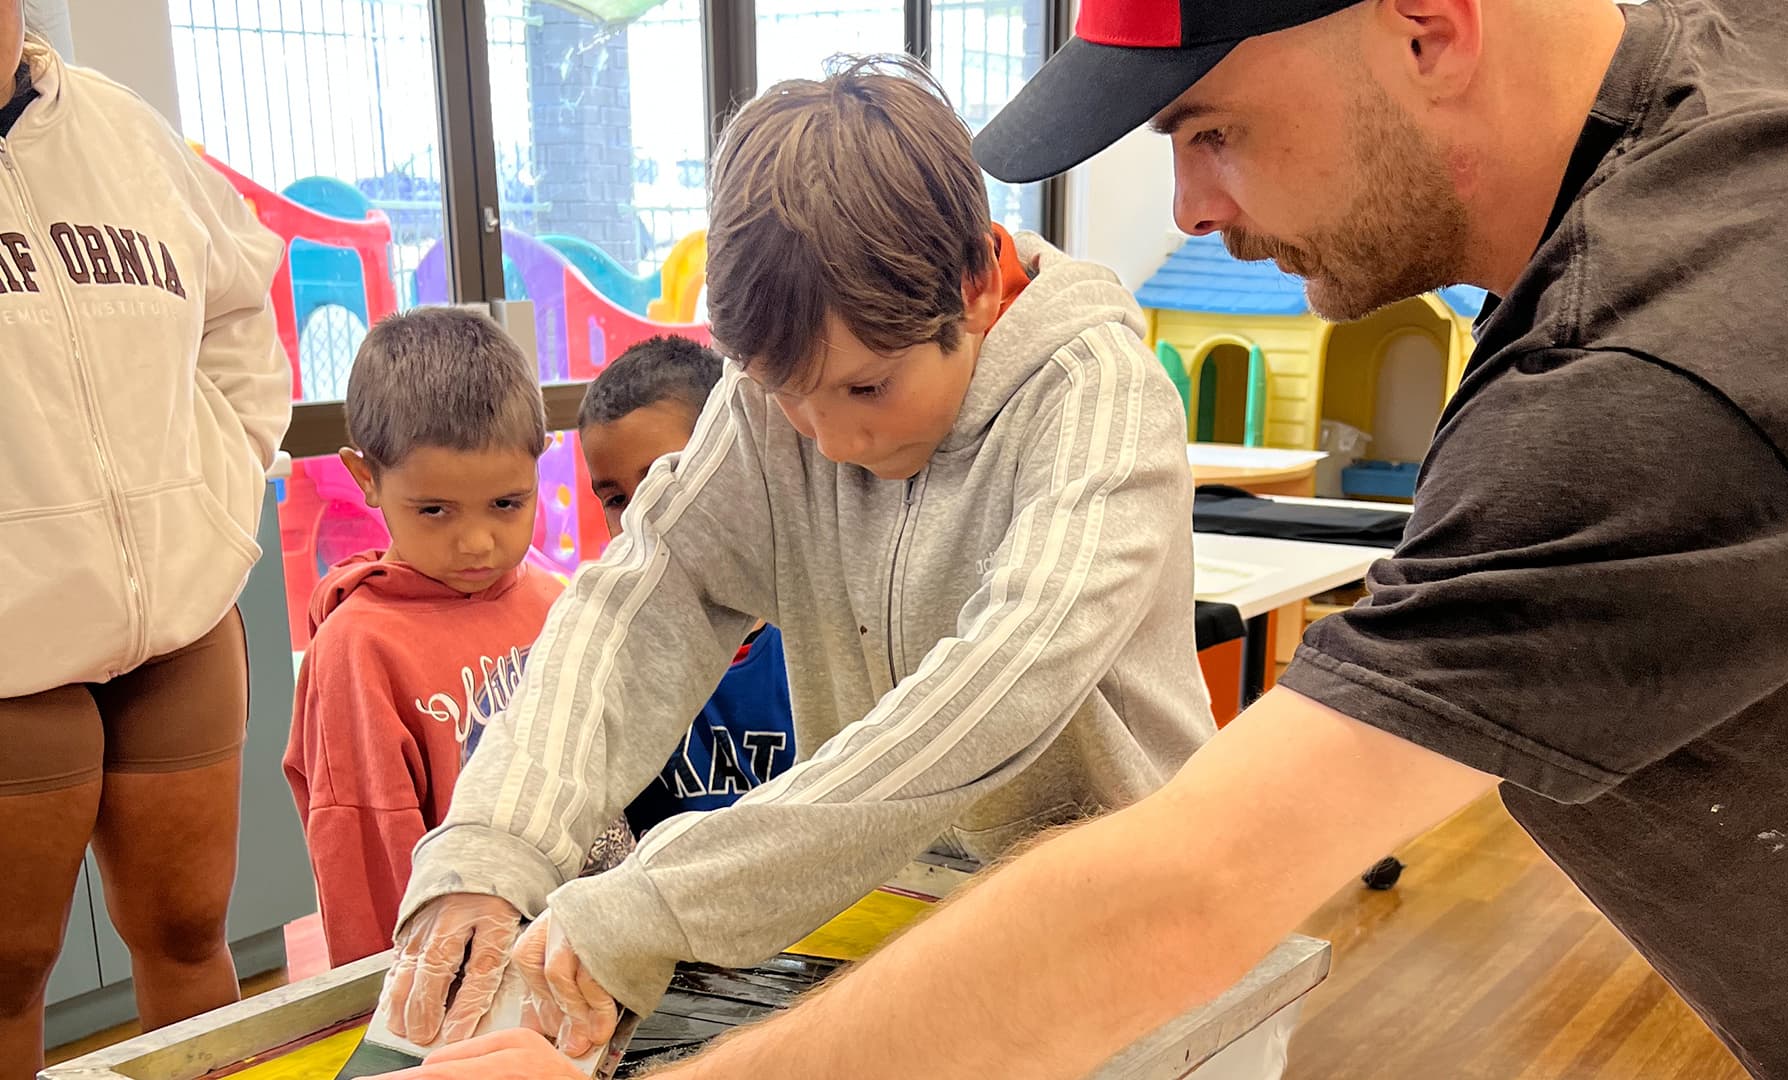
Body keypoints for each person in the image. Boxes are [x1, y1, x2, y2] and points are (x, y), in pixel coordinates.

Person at [392, 0, 1788, 1078]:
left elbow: (1177, 884)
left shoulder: (1652, 372)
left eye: (1213, 129)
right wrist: (495, 858)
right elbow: (647, 587)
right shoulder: (1750, 93)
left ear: (1426, 24)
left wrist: (622, 932)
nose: (1191, 206)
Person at [372, 56, 1216, 1060]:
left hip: (1124, 917)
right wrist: (494, 846)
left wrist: (650, 904)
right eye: (787, 393)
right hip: (893, 900)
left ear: (978, 285)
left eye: (866, 389)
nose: (828, 439)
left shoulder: (1098, 403)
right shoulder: (776, 399)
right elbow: (640, 600)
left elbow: (994, 696)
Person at [0, 13, 291, 1074]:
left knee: (188, 938)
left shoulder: (125, 136)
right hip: (8, 661)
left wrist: (219, 482)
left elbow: (239, 310)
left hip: (177, 621)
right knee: (4, 978)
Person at [282, 308, 562, 967]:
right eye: (433, 510)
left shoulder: (560, 602)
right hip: (450, 979)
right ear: (366, 477)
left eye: (507, 504)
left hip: (579, 959)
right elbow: (365, 850)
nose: (476, 542)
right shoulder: (358, 649)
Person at [575, 334, 796, 832]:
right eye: (615, 498)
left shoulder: (806, 639)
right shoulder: (614, 656)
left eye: (666, 477)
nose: (643, 515)